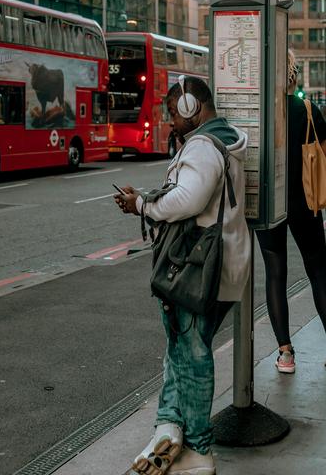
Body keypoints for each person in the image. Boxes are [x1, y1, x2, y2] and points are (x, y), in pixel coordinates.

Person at [114, 76, 250, 475]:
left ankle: (198, 450)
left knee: (191, 355)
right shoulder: (223, 137)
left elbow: (188, 199)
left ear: (193, 107)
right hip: (225, 263)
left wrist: (143, 206)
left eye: (174, 113)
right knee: (181, 346)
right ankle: (170, 425)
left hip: (199, 268)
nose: (171, 122)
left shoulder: (204, 146)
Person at [256, 50, 326, 374]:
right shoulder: (308, 110)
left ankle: (285, 354)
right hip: (305, 202)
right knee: (318, 271)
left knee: (275, 274)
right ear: (293, 74)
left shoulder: (259, 113)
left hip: (269, 202)